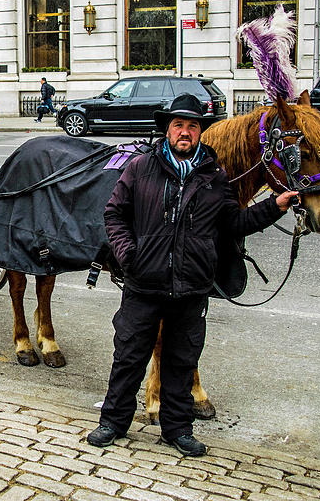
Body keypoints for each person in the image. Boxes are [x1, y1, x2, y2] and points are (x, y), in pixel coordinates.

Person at [87, 94, 299, 456]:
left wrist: (273, 207)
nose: (185, 132)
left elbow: (233, 223)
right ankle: (113, 422)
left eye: (192, 126)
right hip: (144, 282)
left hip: (190, 287)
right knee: (129, 355)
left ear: (201, 132)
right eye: (178, 125)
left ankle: (177, 429)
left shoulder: (215, 177)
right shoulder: (140, 168)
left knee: (182, 359)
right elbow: (114, 215)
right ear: (167, 130)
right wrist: (129, 255)